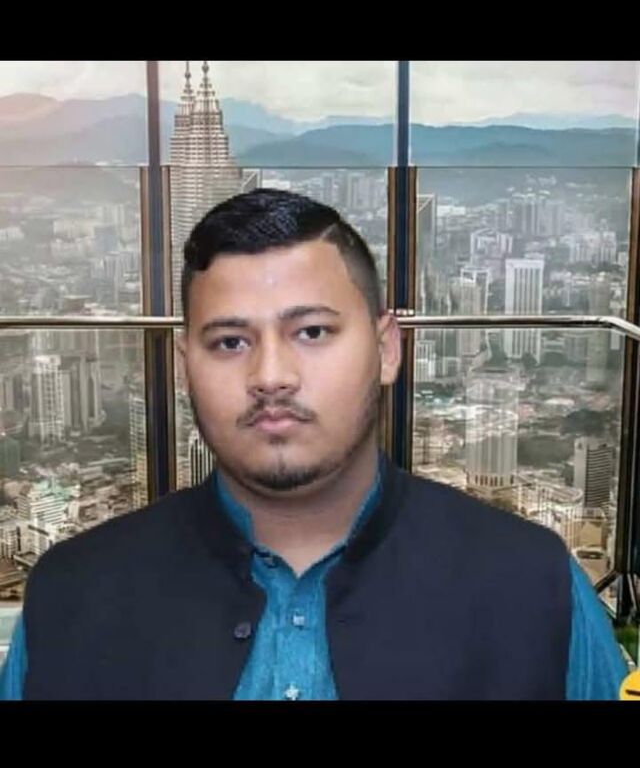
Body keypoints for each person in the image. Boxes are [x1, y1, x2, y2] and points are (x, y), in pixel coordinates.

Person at [0, 189, 628, 700]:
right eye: (230, 342)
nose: (271, 376)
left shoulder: (534, 587)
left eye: (312, 332)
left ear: (387, 349)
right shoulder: (73, 596)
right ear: (182, 366)